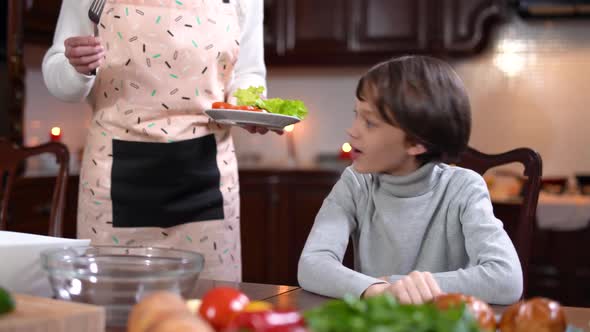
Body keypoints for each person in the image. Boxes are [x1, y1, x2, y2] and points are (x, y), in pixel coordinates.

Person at [43, 0, 271, 282]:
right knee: (115, 314)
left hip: (208, 181)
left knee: (206, 314)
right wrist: (76, 69)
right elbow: (57, 72)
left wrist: (248, 107)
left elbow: (248, 72)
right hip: (114, 180)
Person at [297, 55, 523, 305]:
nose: (352, 130)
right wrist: (378, 290)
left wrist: (397, 285)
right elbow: (313, 264)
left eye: (370, 122)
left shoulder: (464, 188)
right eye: (356, 115)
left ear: (417, 143)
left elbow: (507, 278)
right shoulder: (356, 182)